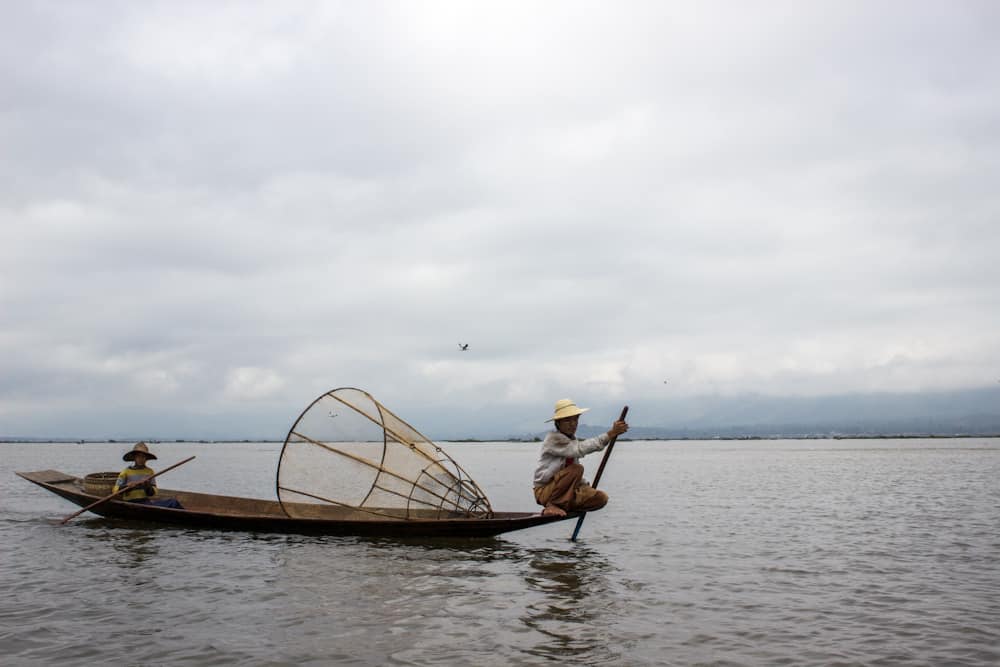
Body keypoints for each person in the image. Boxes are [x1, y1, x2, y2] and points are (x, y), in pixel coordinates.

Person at [533, 399, 628, 517]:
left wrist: (586, 488)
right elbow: (579, 450)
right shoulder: (553, 439)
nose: (573, 424)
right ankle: (551, 506)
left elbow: (573, 466)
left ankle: (564, 505)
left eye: (575, 419)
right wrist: (610, 434)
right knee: (576, 469)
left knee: (601, 498)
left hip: (564, 491)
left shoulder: (572, 440)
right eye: (567, 420)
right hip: (545, 491)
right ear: (558, 423)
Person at [113, 442, 184, 509]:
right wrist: (128, 487)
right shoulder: (126, 472)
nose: (141, 459)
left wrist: (147, 486)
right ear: (134, 458)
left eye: (143, 457)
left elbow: (153, 493)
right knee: (173, 503)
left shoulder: (149, 472)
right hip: (130, 503)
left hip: (145, 502)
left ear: (146, 458)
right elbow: (115, 490)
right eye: (139, 457)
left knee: (173, 502)